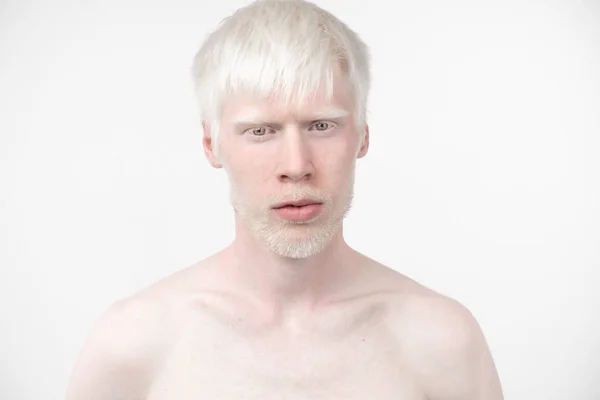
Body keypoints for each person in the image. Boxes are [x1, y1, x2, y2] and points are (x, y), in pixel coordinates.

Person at [66, 0, 504, 398]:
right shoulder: (134, 343)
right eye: (261, 131)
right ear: (210, 143)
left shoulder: (443, 342)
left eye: (321, 126)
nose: (296, 165)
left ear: (363, 135)